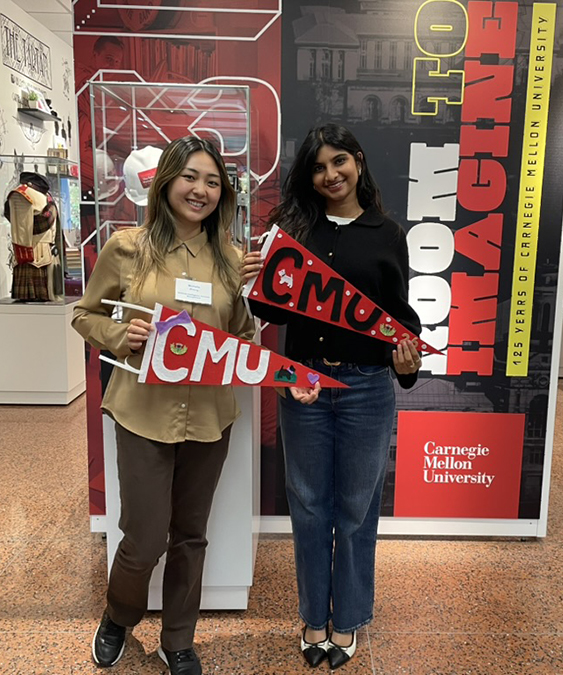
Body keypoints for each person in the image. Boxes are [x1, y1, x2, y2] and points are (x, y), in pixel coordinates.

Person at [242, 123, 422, 670]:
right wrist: (256, 283)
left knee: (356, 509)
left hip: (368, 387)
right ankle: (313, 618)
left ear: (359, 162)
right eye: (319, 167)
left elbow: (399, 317)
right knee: (310, 506)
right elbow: (275, 312)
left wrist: (408, 362)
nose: (330, 175)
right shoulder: (294, 230)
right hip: (307, 385)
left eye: (339, 162)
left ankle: (347, 619)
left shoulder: (387, 233)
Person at [72, 136, 254, 675]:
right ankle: (118, 615)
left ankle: (178, 640)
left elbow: (240, 337)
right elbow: (84, 314)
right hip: (143, 413)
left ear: (224, 194)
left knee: (191, 536)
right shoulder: (127, 247)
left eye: (213, 182)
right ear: (167, 180)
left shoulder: (231, 260)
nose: (201, 190)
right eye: (191, 177)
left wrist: (249, 298)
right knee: (145, 535)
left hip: (208, 417)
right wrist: (117, 334)